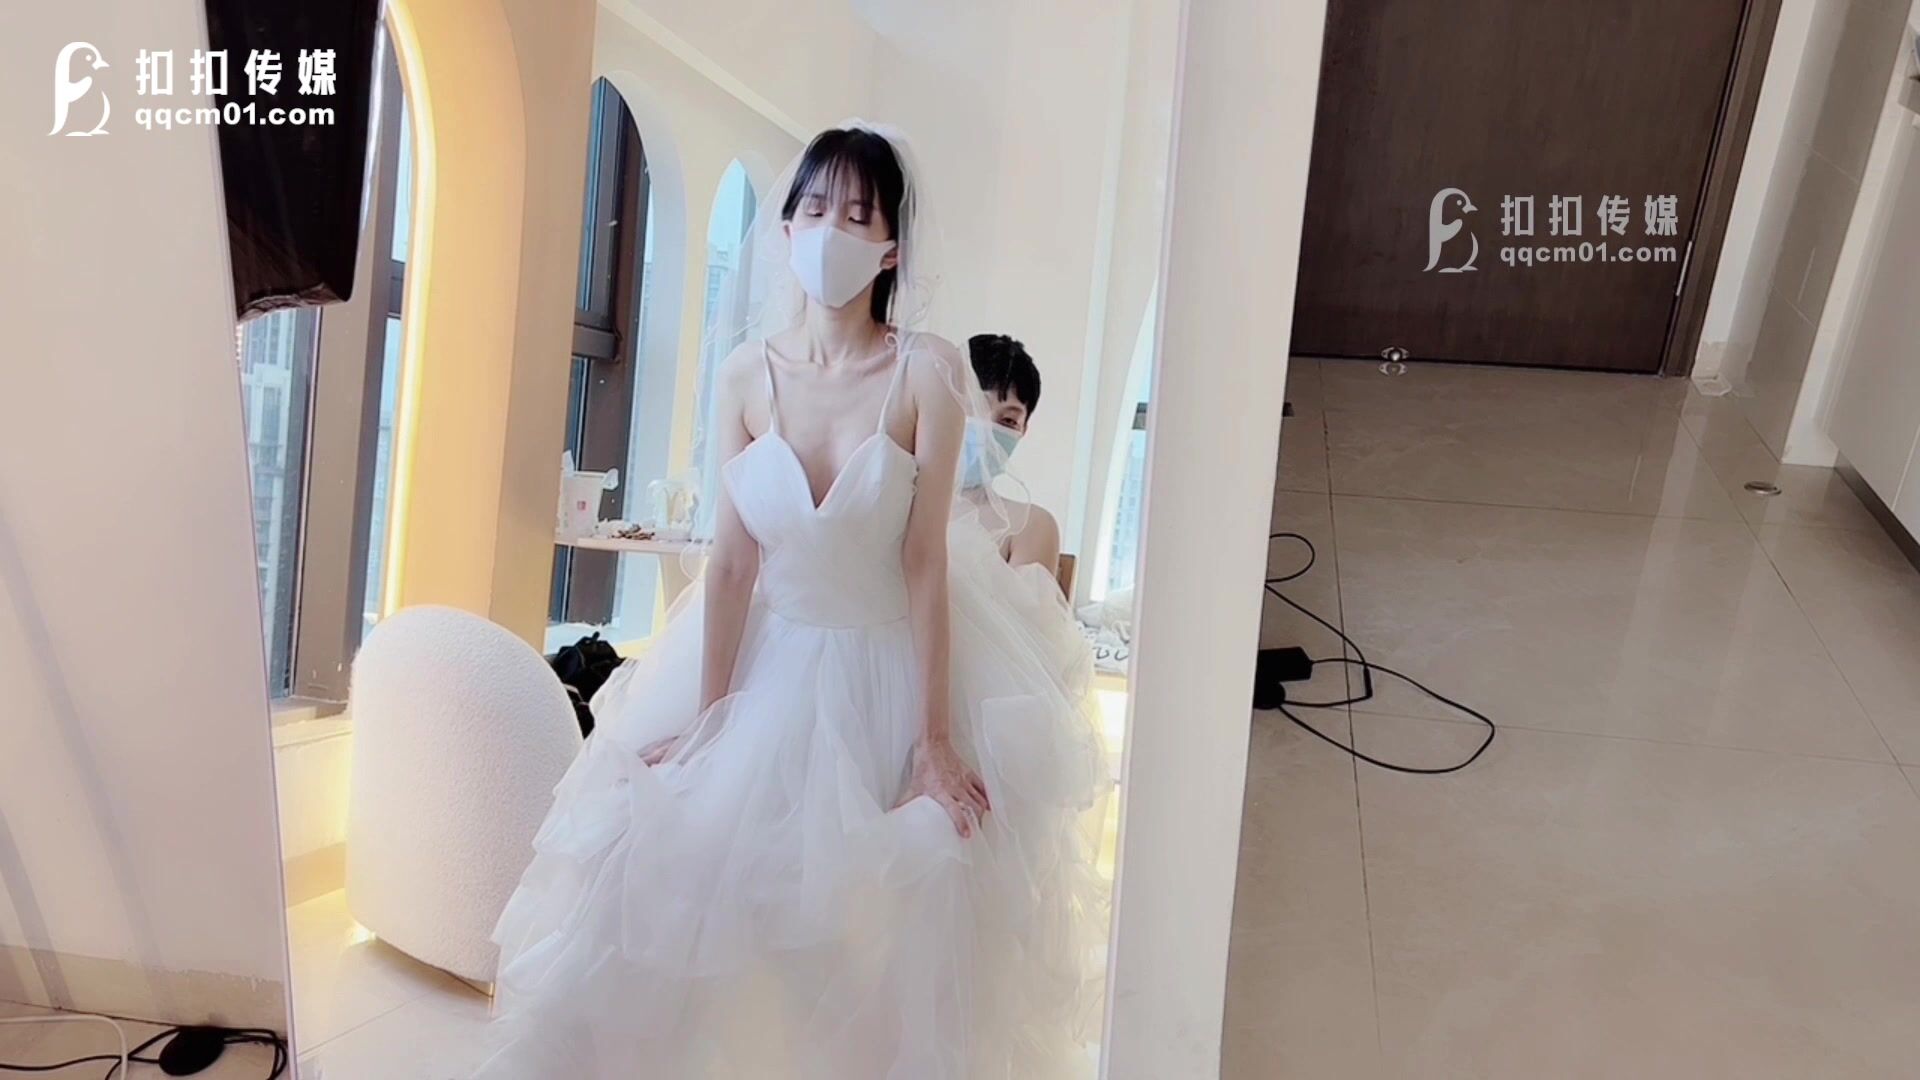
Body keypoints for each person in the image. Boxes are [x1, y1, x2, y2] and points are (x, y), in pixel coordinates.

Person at [476, 124, 1108, 1080]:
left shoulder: (928, 371)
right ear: (784, 229)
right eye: (814, 209)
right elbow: (732, 567)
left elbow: (925, 563)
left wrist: (934, 741)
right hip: (768, 661)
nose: (830, 232)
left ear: (891, 248)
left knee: (882, 931)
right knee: (676, 880)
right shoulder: (744, 375)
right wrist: (709, 719)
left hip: (884, 665)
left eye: (857, 215)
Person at [961, 332, 1062, 580]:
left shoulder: (1030, 525)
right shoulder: (890, 500)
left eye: (1008, 421)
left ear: (1023, 430)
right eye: (974, 408)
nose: (986, 430)